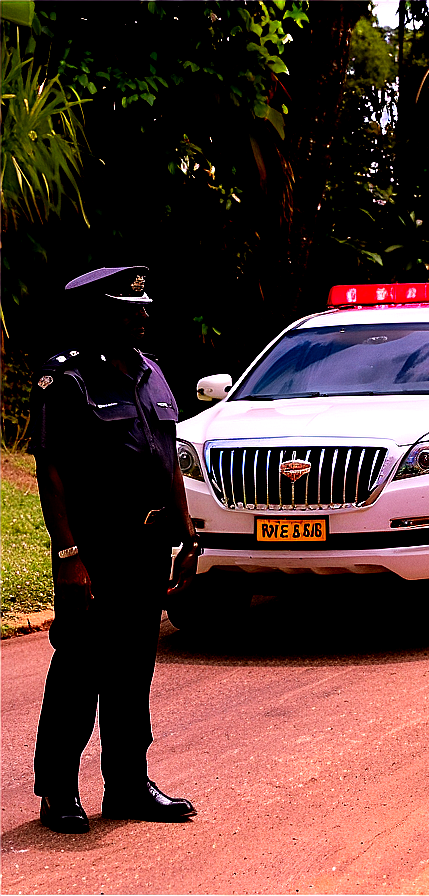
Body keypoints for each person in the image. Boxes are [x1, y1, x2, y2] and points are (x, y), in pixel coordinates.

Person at [30, 266, 201, 834]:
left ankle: (128, 785)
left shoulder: (152, 372)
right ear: (102, 314)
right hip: (96, 549)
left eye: (145, 306)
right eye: (132, 308)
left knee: (133, 671)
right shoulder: (68, 379)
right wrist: (69, 554)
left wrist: (187, 535)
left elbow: (168, 459)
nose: (144, 315)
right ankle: (58, 791)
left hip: (148, 545)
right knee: (80, 671)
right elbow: (51, 471)